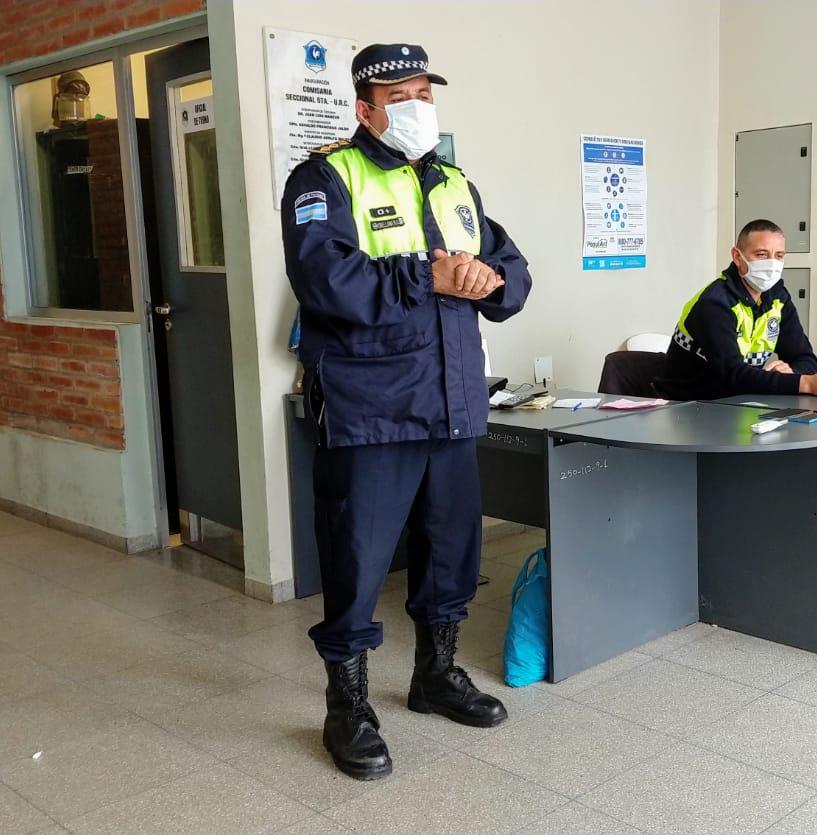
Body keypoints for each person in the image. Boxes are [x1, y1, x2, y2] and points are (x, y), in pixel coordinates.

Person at [280, 43, 531, 781]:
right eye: (401, 96)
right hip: (371, 410)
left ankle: (435, 674)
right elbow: (326, 279)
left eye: (425, 92)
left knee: (452, 548)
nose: (418, 107)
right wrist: (430, 274)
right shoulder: (324, 177)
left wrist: (487, 279)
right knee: (357, 560)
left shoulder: (455, 183)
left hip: (453, 405)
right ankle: (347, 705)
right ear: (366, 108)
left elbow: (510, 269)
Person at [655, 219, 817, 400]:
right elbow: (733, 375)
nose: (772, 264)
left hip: (741, 402)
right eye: (762, 254)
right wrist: (806, 383)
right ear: (737, 256)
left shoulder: (778, 297)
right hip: (690, 408)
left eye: (778, 256)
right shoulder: (714, 303)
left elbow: (806, 358)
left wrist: (792, 371)